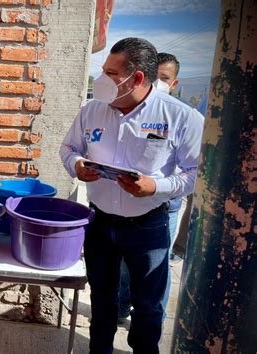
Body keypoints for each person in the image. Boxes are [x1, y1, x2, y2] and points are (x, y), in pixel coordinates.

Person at [59, 38, 204, 353]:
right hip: (99, 223)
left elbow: (197, 174)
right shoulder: (92, 111)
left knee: (148, 306)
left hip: (148, 226)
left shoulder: (181, 117)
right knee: (102, 297)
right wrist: (77, 165)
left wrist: (155, 187)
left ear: (136, 78)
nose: (101, 80)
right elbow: (68, 148)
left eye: (111, 73)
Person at [117, 52, 190, 322]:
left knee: (157, 266)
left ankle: (150, 317)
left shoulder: (180, 116)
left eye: (165, 78)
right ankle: (122, 306)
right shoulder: (134, 111)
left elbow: (190, 167)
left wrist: (157, 186)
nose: (158, 82)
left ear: (174, 83)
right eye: (153, 76)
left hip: (165, 205)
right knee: (127, 264)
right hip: (130, 201)